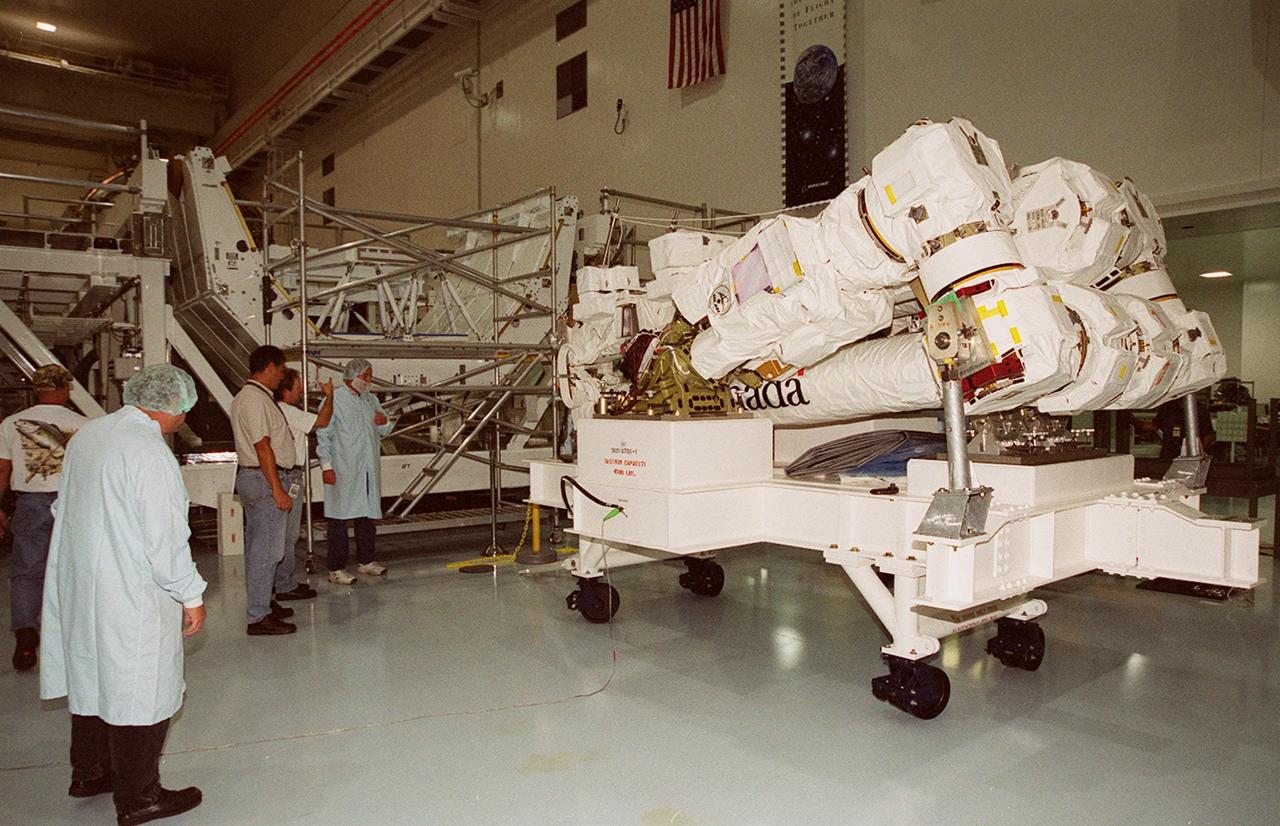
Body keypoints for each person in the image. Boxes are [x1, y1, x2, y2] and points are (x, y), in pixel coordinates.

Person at [40, 364, 207, 824]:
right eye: (185, 409)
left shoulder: (92, 436)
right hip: (130, 589)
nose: (184, 417)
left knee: (95, 677)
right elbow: (165, 537)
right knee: (141, 686)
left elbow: (63, 505)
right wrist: (190, 594)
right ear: (172, 406)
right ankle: (139, 798)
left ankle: (90, 773)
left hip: (84, 581)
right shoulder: (149, 452)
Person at [0, 364, 89, 671]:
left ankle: (26, 635)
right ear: (65, 389)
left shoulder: (11, 423)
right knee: (73, 569)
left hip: (30, 503)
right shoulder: (83, 425)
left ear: (37, 389)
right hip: (72, 503)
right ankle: (72, 639)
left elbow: (3, 469)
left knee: (27, 571)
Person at [230, 345, 296, 636]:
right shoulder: (254, 400)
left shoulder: (254, 397)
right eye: (281, 371)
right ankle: (259, 616)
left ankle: (264, 602)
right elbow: (262, 447)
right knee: (266, 551)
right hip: (263, 478)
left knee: (263, 547)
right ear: (269, 367)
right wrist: (277, 488)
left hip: (257, 478)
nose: (282, 378)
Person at [317, 358, 394, 585]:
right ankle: (336, 568)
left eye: (370, 376)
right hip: (344, 468)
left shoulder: (371, 400)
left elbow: (386, 428)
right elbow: (324, 434)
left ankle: (367, 560)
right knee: (338, 518)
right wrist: (326, 466)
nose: (369, 381)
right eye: (366, 376)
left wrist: (383, 422)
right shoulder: (335, 400)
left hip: (367, 469)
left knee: (367, 516)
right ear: (353, 376)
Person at [272, 368, 334, 602]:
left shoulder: (276, 409)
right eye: (298, 388)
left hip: (285, 474)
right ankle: (284, 584)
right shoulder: (289, 412)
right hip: (289, 476)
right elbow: (323, 421)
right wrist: (329, 396)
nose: (301, 393)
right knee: (287, 535)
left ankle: (282, 581)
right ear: (286, 390)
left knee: (281, 534)